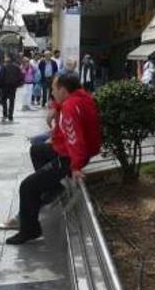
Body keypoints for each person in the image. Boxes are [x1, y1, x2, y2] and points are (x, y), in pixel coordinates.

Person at [6, 73, 101, 245]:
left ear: (63, 90)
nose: (52, 92)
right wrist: (56, 110)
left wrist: (75, 167)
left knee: (27, 187)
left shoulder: (70, 108)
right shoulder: (81, 97)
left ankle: (30, 230)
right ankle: (52, 188)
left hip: (69, 157)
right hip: (69, 150)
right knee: (37, 150)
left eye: (54, 89)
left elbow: (75, 140)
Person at [0, 55, 24, 123]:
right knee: (12, 101)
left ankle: (5, 115)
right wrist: (18, 84)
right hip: (13, 87)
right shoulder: (16, 67)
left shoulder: (4, 67)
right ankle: (10, 116)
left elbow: (0, 77)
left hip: (4, 87)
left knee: (4, 101)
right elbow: (21, 76)